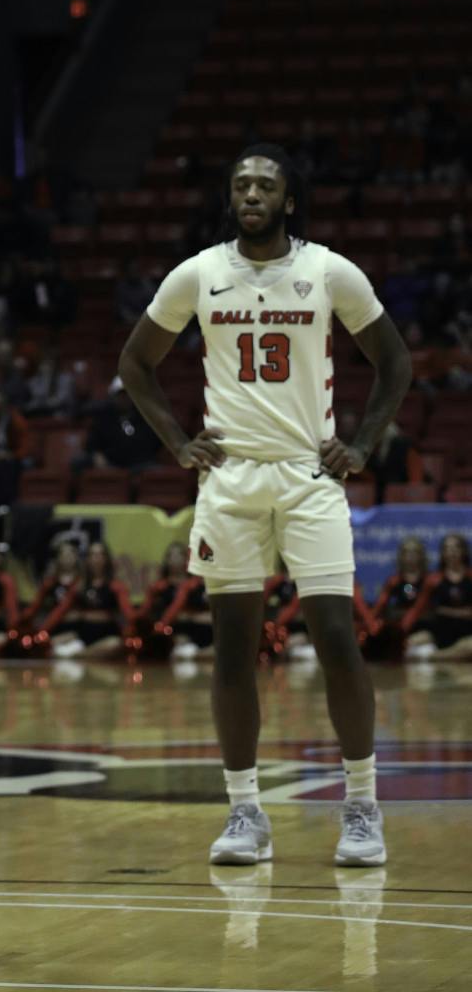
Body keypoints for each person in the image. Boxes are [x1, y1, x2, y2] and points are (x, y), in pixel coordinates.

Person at [119, 142, 412, 867]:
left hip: (309, 476)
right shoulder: (200, 274)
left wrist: (365, 443)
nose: (251, 194)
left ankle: (362, 805)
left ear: (288, 201)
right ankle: (245, 811)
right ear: (232, 200)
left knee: (338, 640)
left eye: (265, 185)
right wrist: (180, 443)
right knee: (232, 652)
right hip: (232, 481)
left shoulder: (327, 271)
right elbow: (135, 363)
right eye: (241, 185)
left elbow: (395, 362)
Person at [34, 540, 135, 660]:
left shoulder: (116, 586)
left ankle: (78, 655)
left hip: (106, 634)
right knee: (48, 644)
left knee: (115, 644)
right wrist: (42, 632)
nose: (96, 559)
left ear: (106, 559)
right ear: (87, 559)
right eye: (92, 554)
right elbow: (59, 611)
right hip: (82, 634)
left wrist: (135, 629)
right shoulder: (79, 586)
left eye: (100, 555)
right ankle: (78, 654)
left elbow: (128, 613)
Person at [402, 532, 472, 661]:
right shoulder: (434, 580)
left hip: (467, 633)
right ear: (443, 553)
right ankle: (441, 654)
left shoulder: (469, 577)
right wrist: (402, 632)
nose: (452, 552)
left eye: (456, 548)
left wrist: (447, 611)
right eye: (447, 548)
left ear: (463, 551)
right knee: (410, 642)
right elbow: (417, 609)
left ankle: (435, 656)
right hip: (440, 631)